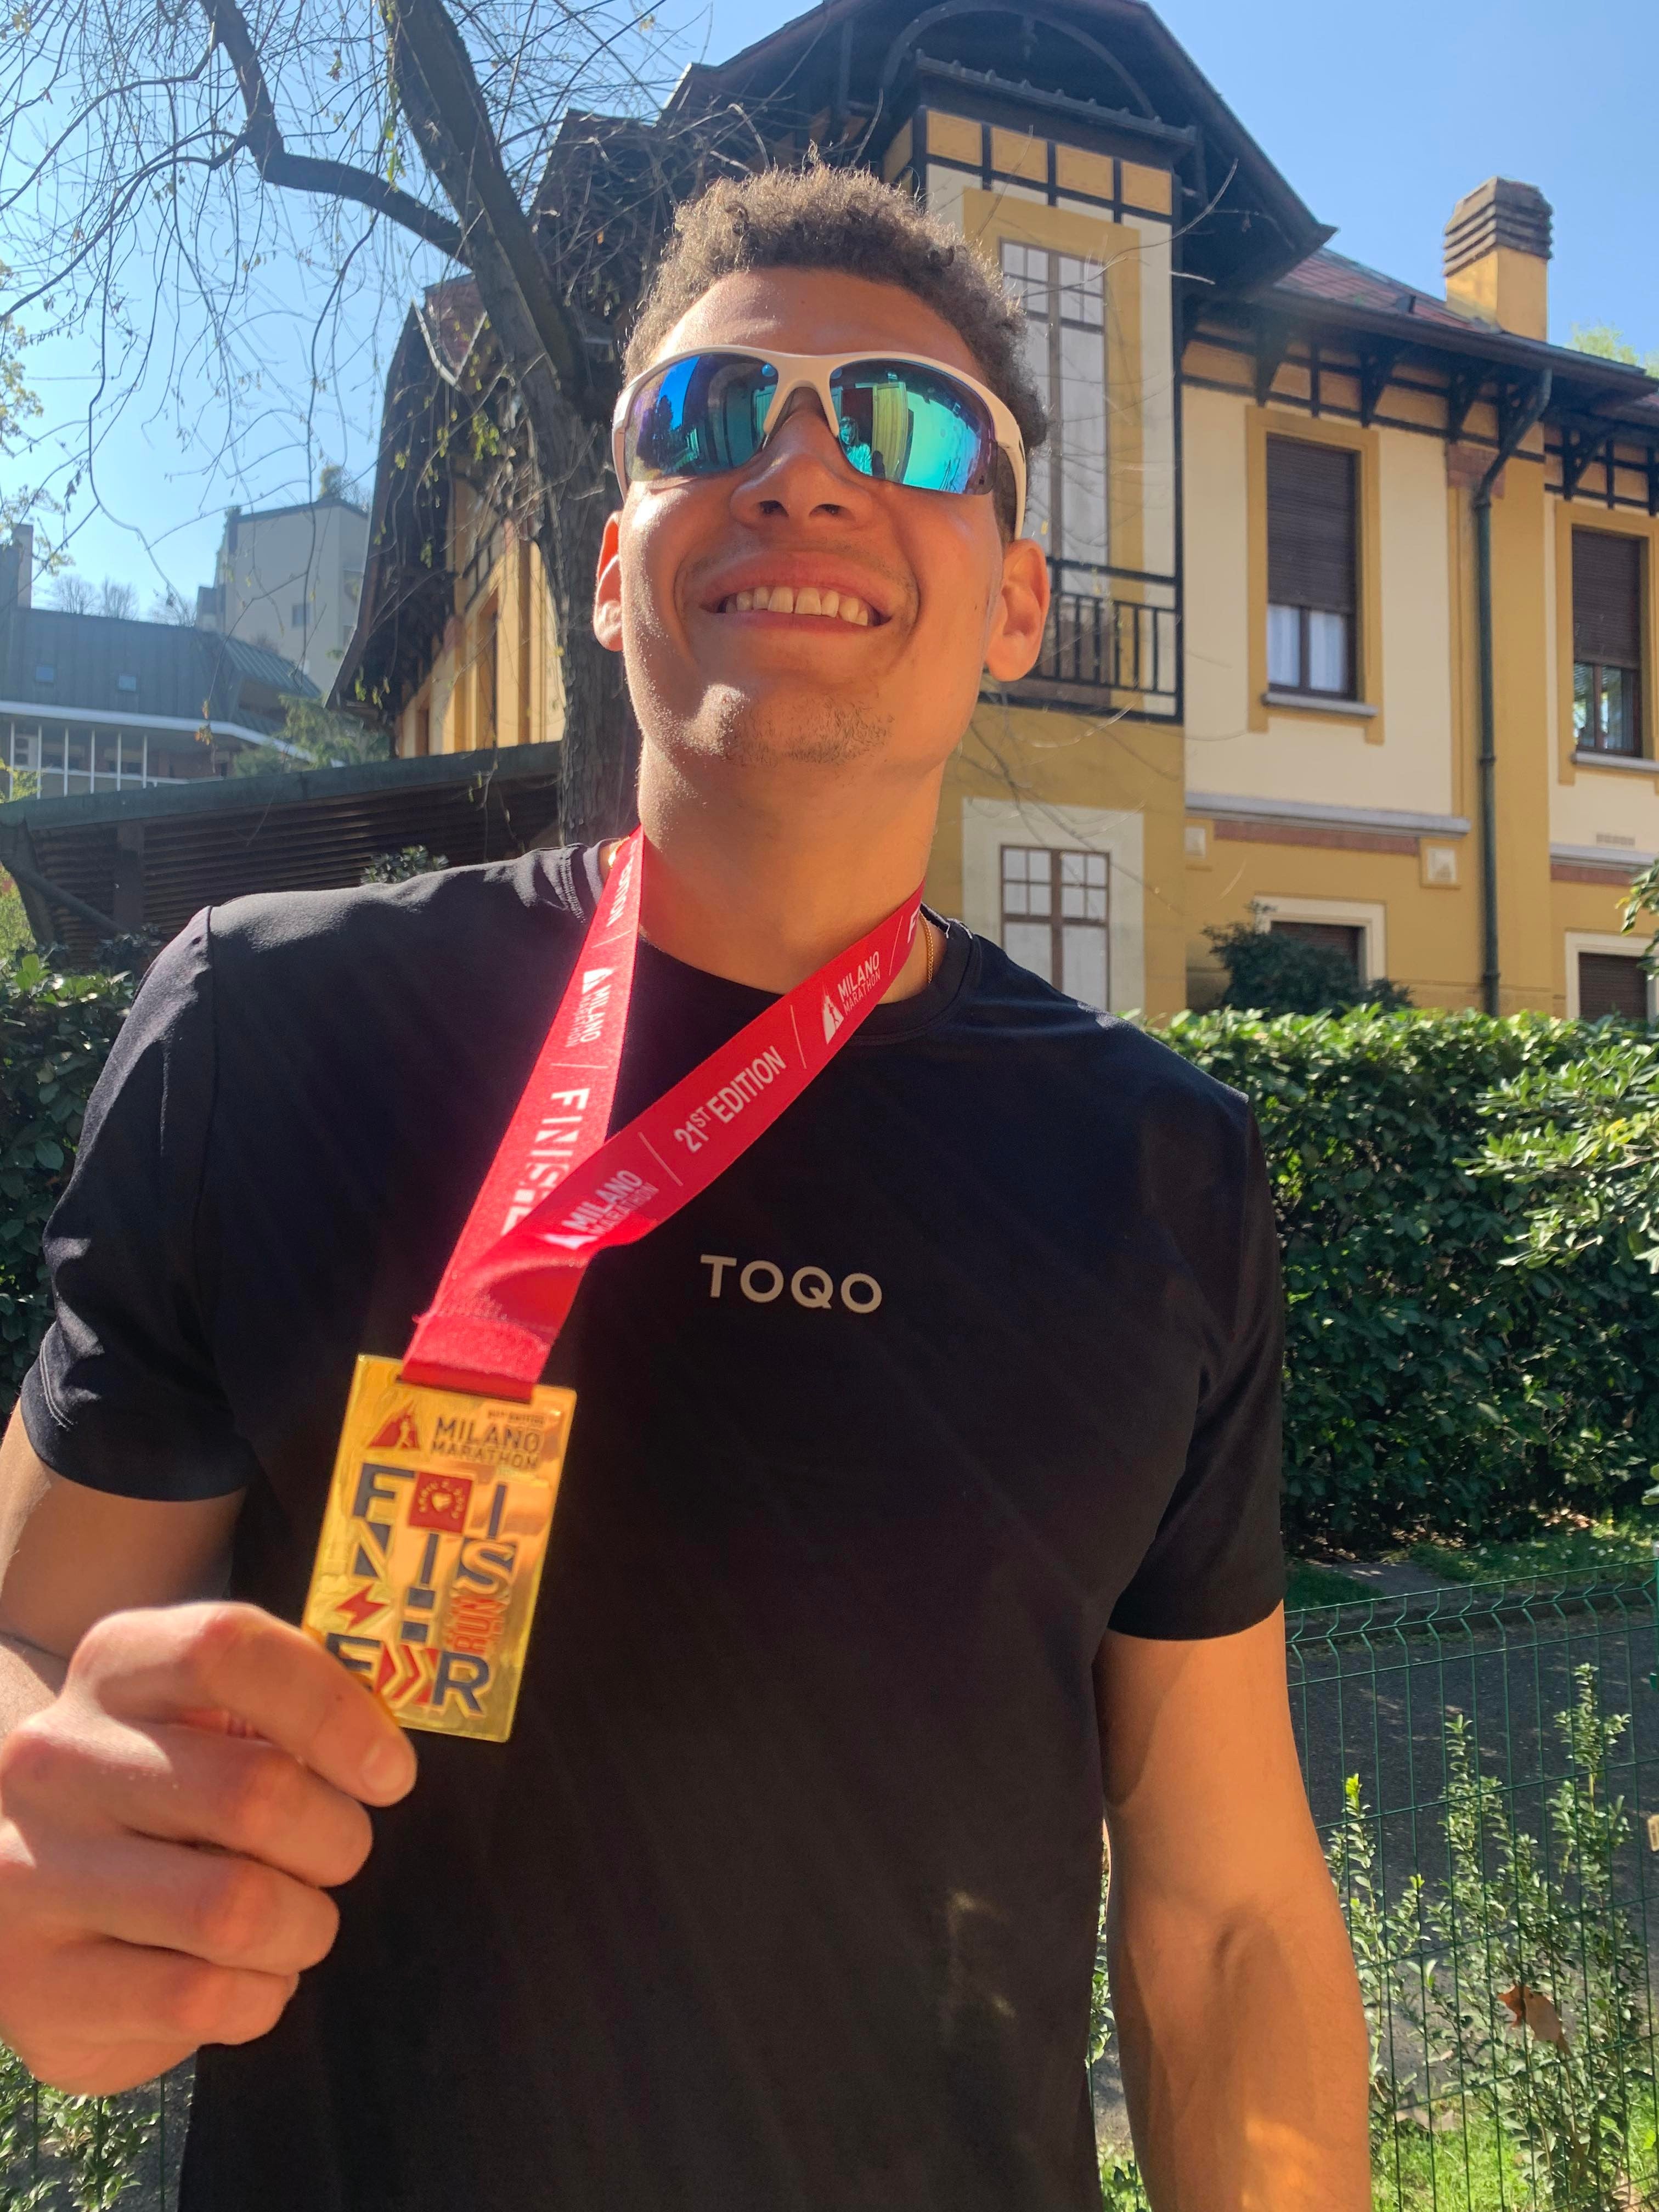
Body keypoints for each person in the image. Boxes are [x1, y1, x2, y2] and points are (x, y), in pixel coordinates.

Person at [0, 166, 1368, 2209]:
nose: (805, 474)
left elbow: (1228, 1912)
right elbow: (28, 1644)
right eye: (714, 416)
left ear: (1014, 597)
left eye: (908, 427)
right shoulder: (273, 1030)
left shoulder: (1162, 1169)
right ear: (612, 552)